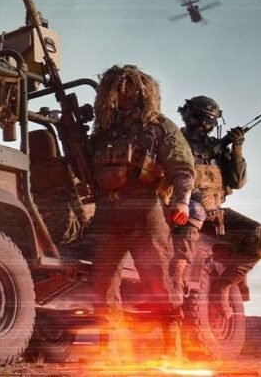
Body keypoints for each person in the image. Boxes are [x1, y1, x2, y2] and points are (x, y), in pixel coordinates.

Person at [87, 64, 195, 360]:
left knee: (159, 282)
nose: (123, 93)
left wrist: (182, 201)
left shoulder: (158, 127)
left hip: (144, 212)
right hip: (107, 213)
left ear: (142, 91)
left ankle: (171, 350)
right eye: (118, 87)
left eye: (130, 87)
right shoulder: (104, 131)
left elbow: (183, 168)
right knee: (102, 284)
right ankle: (109, 350)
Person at [175, 96, 261, 318]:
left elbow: (237, 182)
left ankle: (223, 285)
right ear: (186, 115)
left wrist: (236, 148)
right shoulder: (175, 142)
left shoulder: (218, 150)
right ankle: (176, 281)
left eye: (209, 120)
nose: (203, 124)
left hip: (215, 214)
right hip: (182, 209)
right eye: (198, 117)